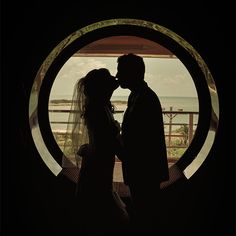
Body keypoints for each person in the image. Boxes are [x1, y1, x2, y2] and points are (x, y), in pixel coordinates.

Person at [63, 68, 129, 235]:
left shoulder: (100, 106)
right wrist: (126, 156)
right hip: (99, 164)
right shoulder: (98, 109)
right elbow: (107, 140)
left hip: (100, 161)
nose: (113, 79)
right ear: (102, 87)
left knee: (97, 201)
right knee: (99, 200)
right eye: (108, 79)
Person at [116, 53, 169, 233]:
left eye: (120, 71)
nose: (117, 76)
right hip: (142, 169)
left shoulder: (144, 99)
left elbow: (141, 141)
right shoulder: (138, 96)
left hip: (145, 170)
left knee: (145, 215)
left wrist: (118, 147)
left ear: (132, 73)